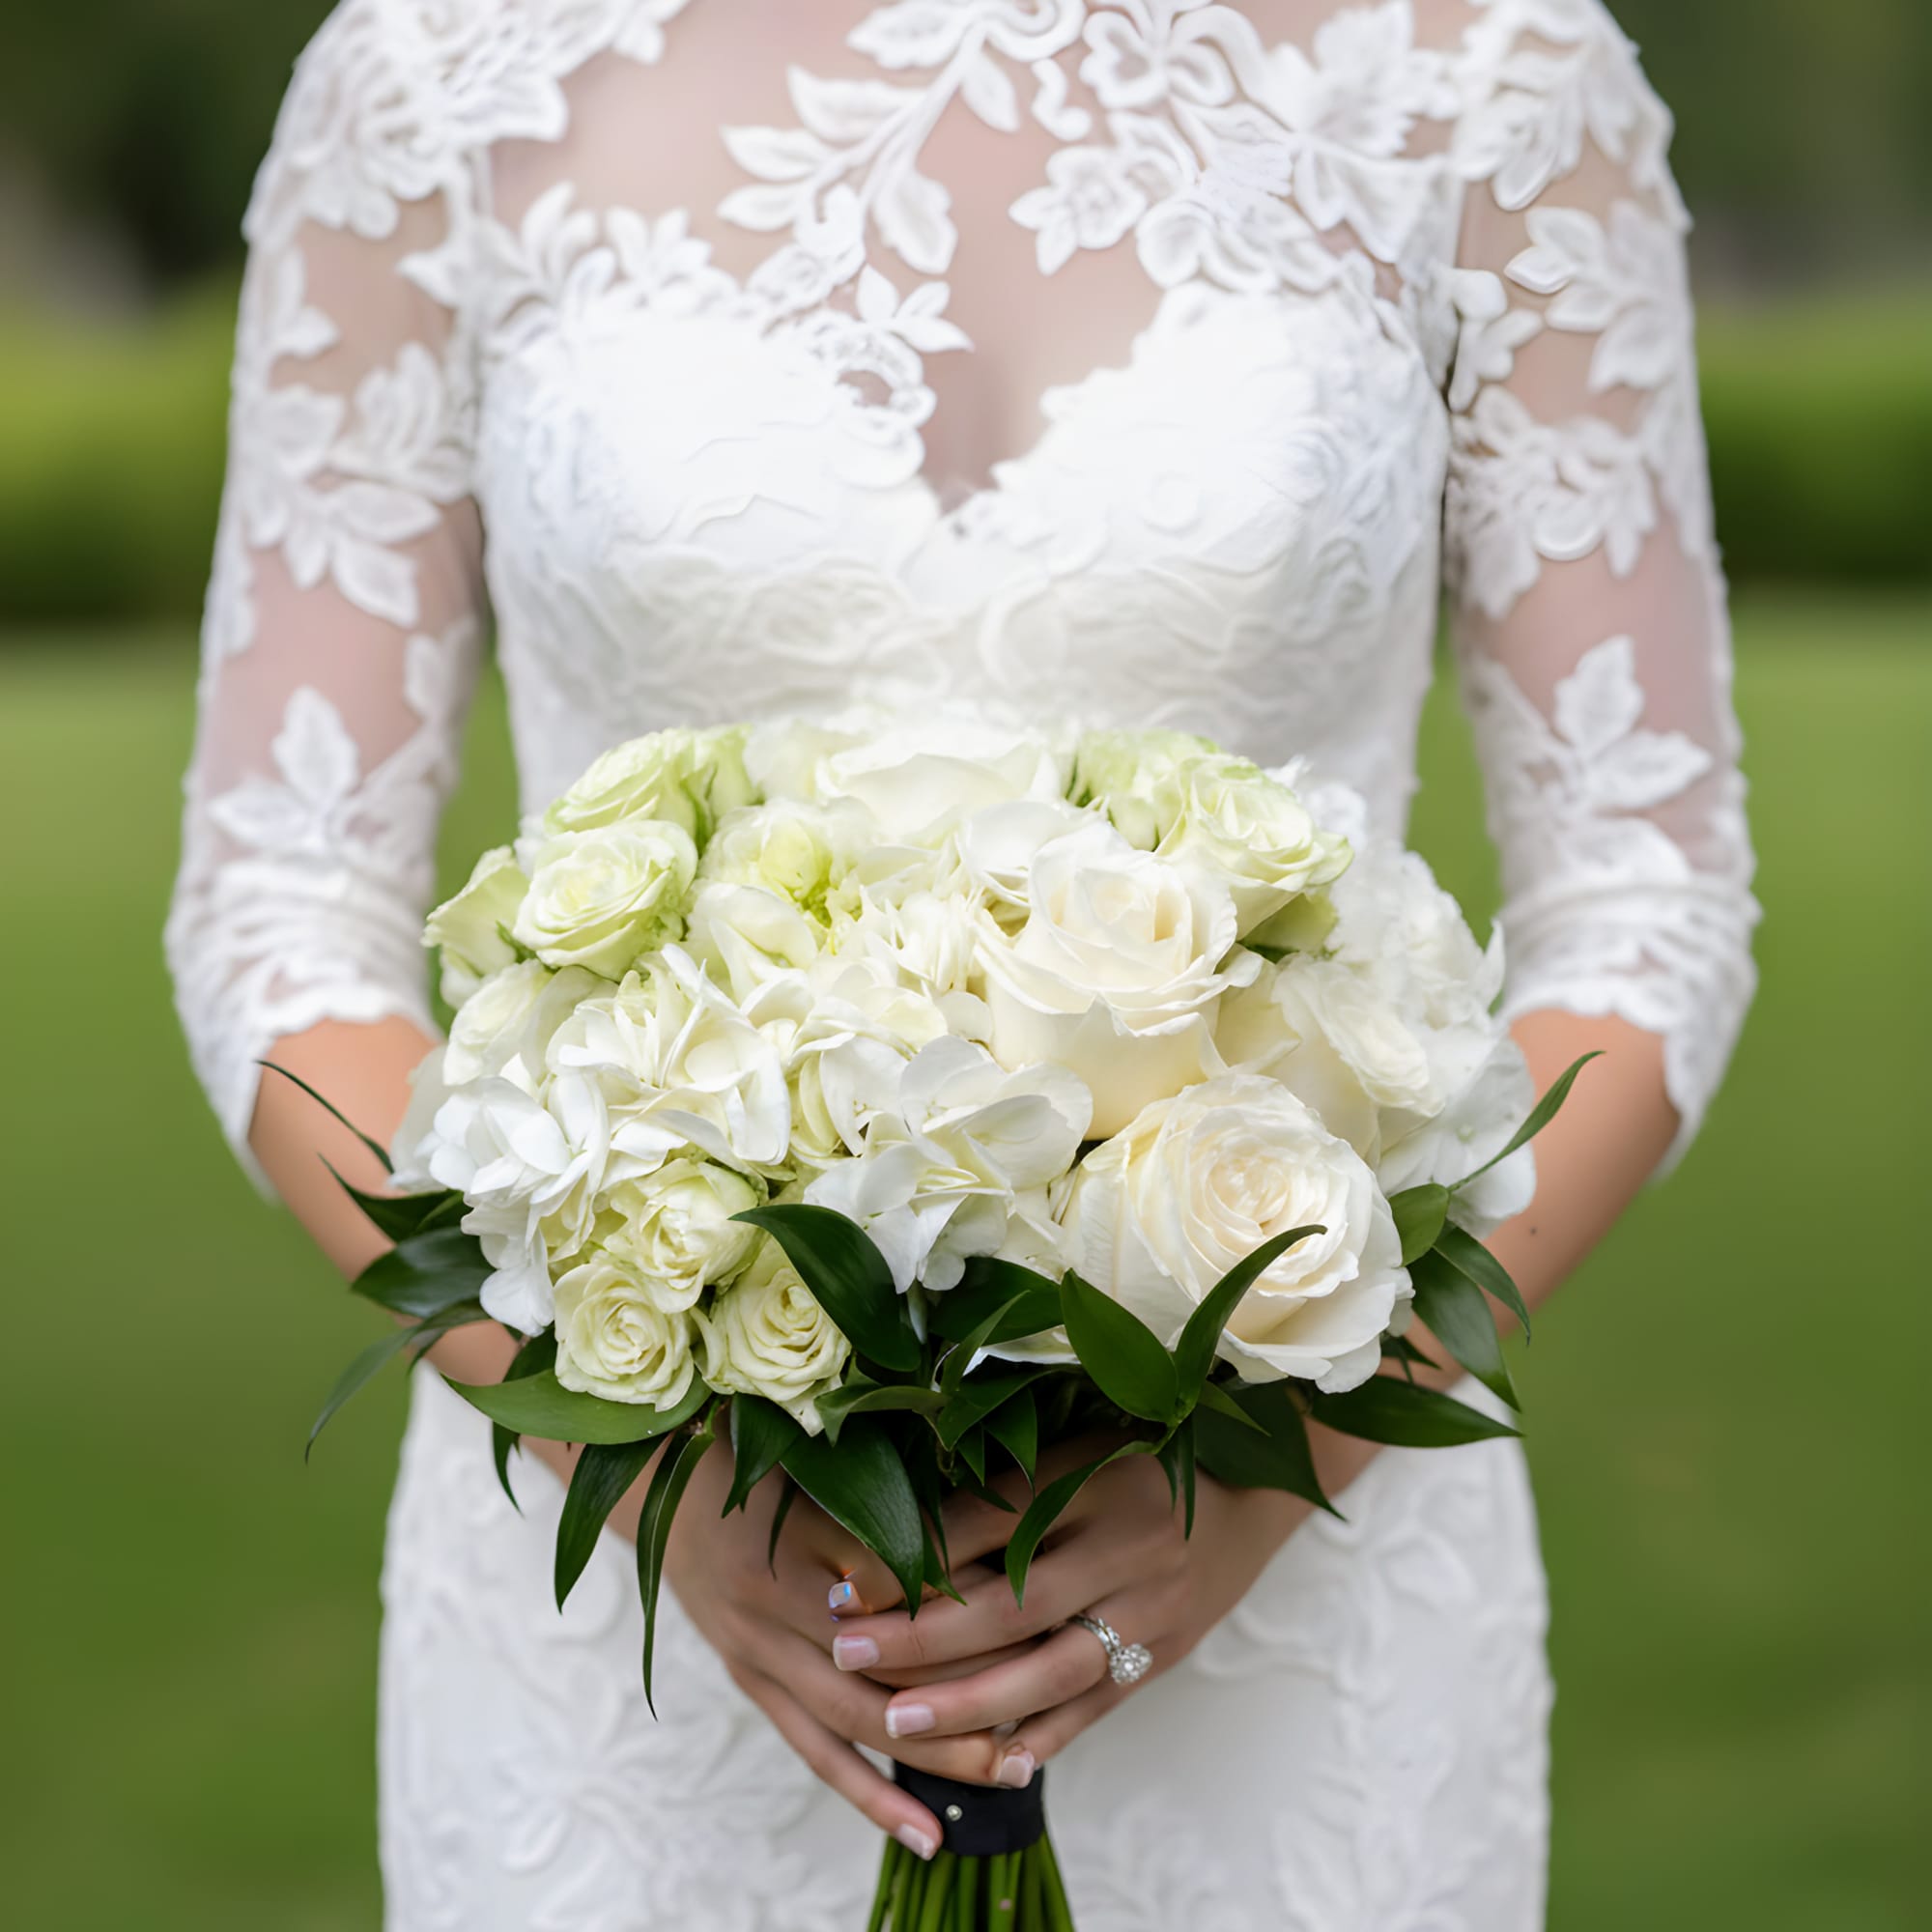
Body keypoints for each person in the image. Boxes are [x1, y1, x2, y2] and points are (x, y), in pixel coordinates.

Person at [165, 2, 1758, 1924]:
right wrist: (635, 1437)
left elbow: (1642, 891)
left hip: (1294, 1599)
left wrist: (1294, 1440)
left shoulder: (1482, 64)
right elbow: (281, 899)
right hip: (657, 1639)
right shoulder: (436, 74)